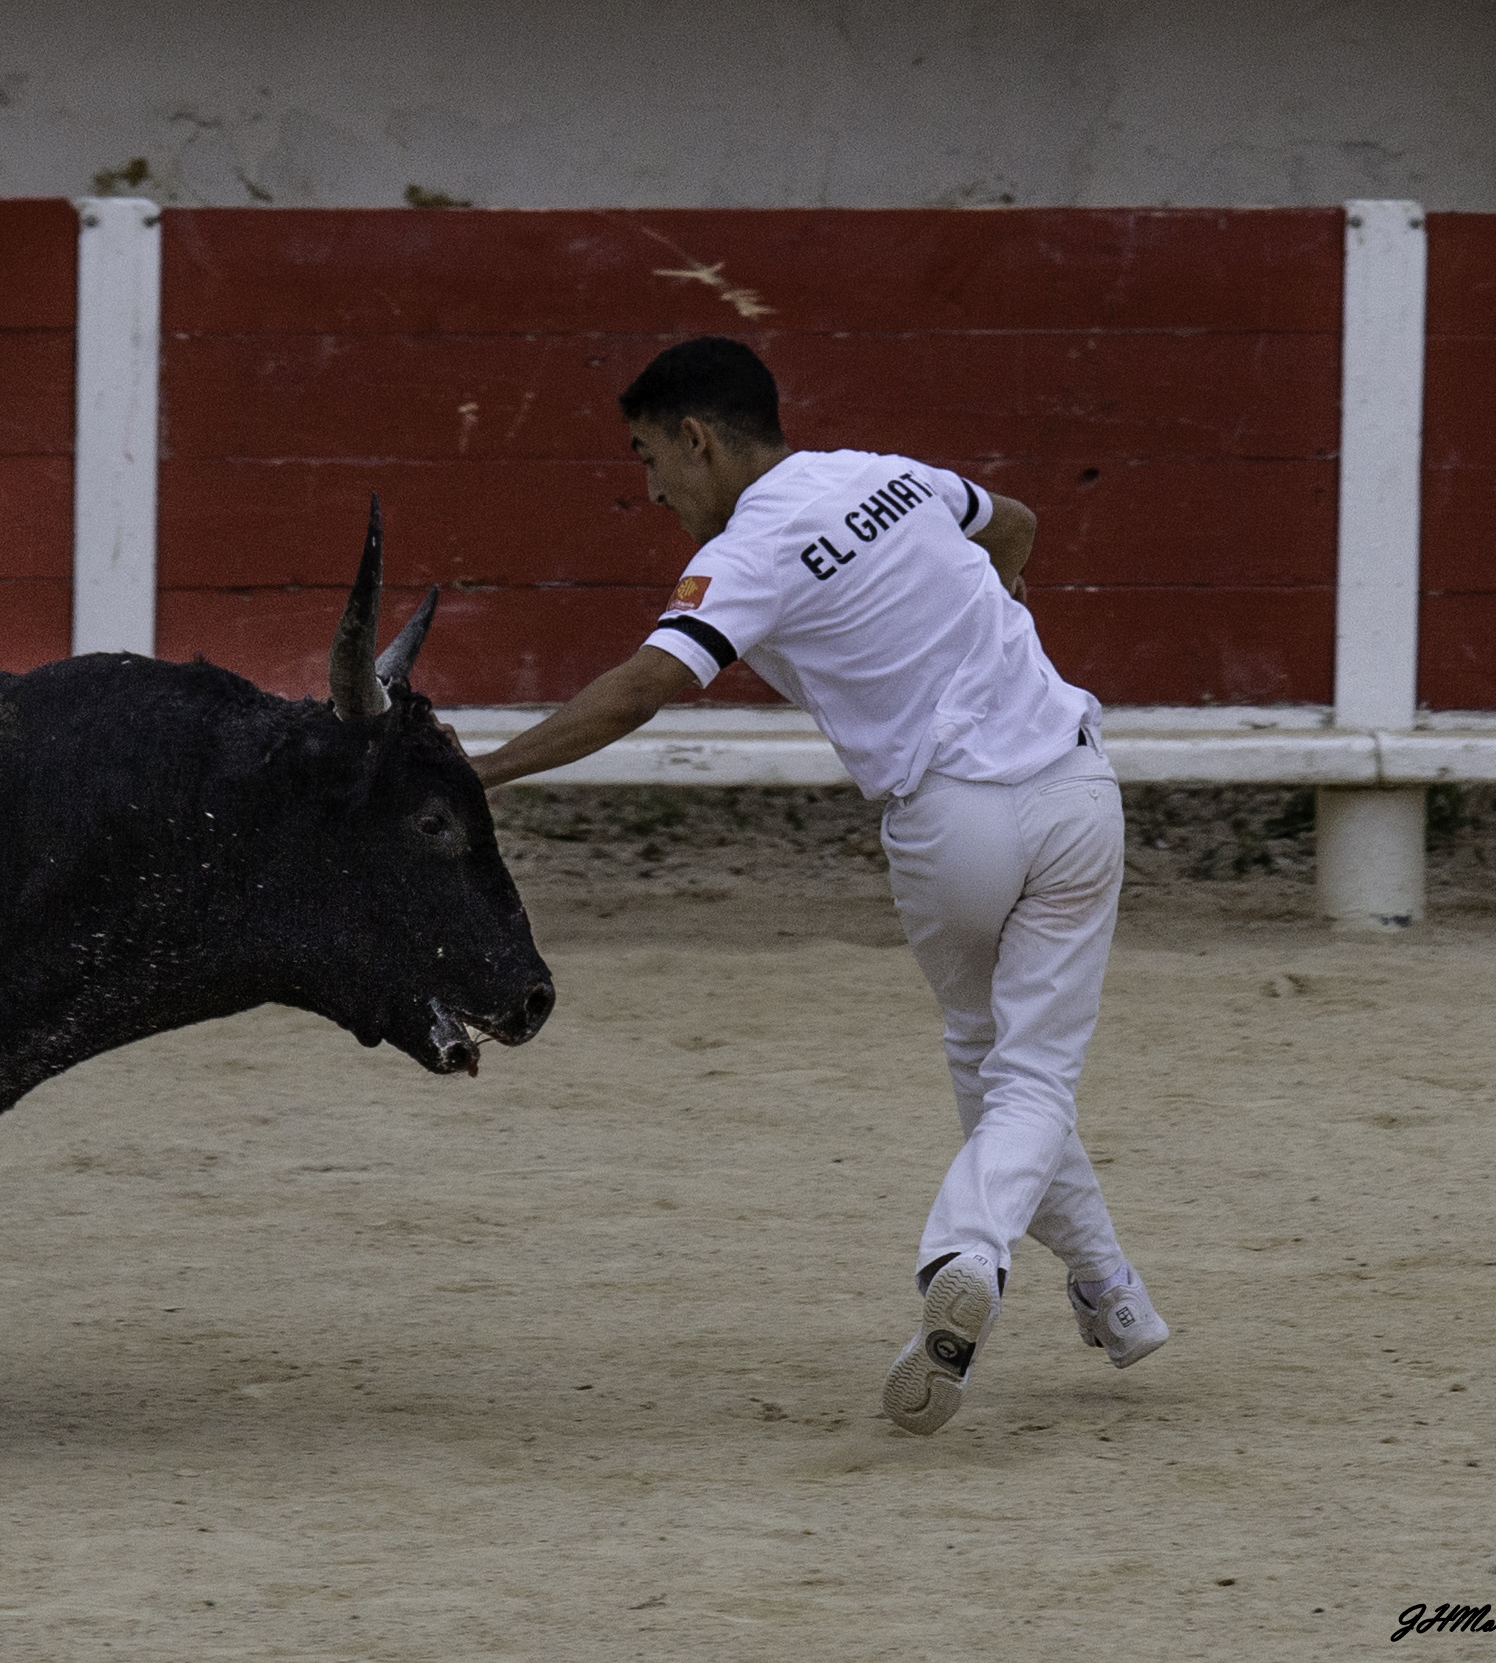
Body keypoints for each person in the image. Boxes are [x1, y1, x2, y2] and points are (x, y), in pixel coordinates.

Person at [470, 336, 1168, 1435]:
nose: (651, 489)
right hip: (1078, 788)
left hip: (954, 822)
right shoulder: (887, 473)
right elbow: (1019, 523)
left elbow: (643, 686)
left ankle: (965, 1253)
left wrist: (481, 772)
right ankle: (1113, 1300)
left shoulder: (747, 553)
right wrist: (972, 631)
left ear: (696, 438)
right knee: (1026, 1074)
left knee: (1003, 1074)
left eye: (650, 458)